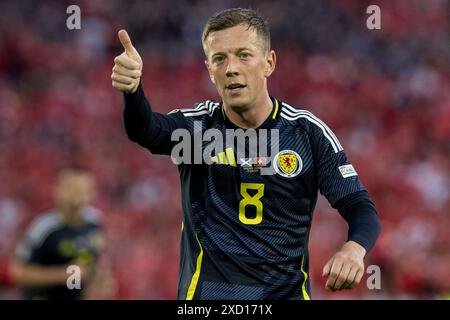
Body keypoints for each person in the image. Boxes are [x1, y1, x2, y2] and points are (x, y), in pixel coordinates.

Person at [111, 8, 381, 299]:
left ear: (269, 62)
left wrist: (354, 249)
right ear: (210, 70)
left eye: (243, 55)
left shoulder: (307, 133)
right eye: (219, 59)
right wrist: (133, 90)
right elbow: (145, 130)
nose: (231, 68)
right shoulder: (197, 130)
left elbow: (359, 205)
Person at [8, 168, 103, 299]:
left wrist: (97, 279)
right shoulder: (43, 228)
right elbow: (18, 272)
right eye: (73, 188)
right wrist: (65, 274)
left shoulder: (94, 223)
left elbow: (90, 264)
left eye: (84, 189)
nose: (79, 195)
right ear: (58, 190)